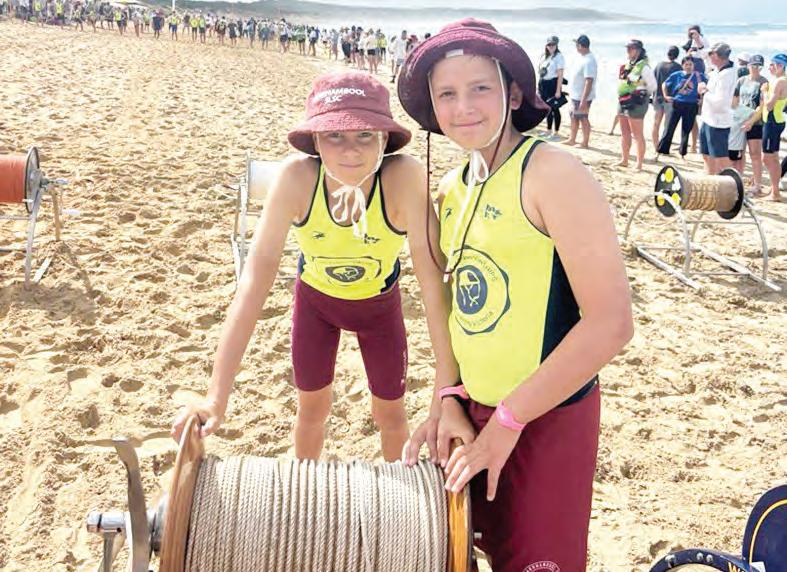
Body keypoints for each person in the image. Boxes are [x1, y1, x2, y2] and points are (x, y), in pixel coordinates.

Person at [398, 18, 632, 572]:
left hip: (545, 415)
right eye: (446, 94)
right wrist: (447, 397)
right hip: (473, 409)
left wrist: (508, 421)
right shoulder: (453, 187)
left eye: (480, 87)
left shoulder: (551, 173)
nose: (463, 108)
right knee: (464, 551)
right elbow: (456, 310)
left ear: (515, 93)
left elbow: (611, 324)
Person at [171, 72, 456, 463]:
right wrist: (215, 398)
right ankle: (303, 486)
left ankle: (399, 485)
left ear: (385, 139)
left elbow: (434, 289)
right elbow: (253, 284)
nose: (350, 149)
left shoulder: (403, 178)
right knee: (311, 411)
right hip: (316, 306)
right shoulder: (297, 178)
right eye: (334, 135)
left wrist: (444, 397)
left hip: (379, 308)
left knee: (390, 414)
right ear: (315, 140)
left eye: (365, 135)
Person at [615, 40, 656, 170]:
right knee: (624, 132)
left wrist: (641, 93)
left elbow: (653, 86)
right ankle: (624, 159)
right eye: (627, 48)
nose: (628, 51)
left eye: (631, 48)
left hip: (636, 102)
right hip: (623, 99)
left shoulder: (644, 67)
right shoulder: (628, 65)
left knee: (637, 134)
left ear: (638, 50)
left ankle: (639, 164)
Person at [698, 42, 737, 174]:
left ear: (717, 56)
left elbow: (720, 102)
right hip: (708, 118)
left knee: (721, 158)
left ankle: (734, 183)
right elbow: (703, 55)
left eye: (711, 54)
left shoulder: (727, 75)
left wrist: (704, 92)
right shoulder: (718, 69)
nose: (709, 56)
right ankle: (710, 181)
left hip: (718, 122)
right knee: (706, 155)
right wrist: (697, 40)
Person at [657, 56, 706, 159]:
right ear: (682, 65)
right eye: (686, 64)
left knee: (686, 130)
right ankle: (662, 150)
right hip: (677, 103)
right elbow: (664, 84)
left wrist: (702, 99)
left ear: (693, 65)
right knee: (669, 127)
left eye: (690, 64)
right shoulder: (677, 75)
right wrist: (665, 96)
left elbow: (706, 88)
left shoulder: (699, 76)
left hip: (691, 105)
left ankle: (682, 153)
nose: (688, 67)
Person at [736, 54, 768, 196]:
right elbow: (735, 100)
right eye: (753, 65)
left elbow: (762, 105)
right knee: (739, 153)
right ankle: (738, 181)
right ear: (748, 65)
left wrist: (751, 121)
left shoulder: (764, 82)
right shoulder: (741, 80)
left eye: (759, 66)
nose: (756, 68)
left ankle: (757, 185)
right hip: (739, 120)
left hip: (756, 122)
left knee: (755, 154)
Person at [760, 53, 787, 201]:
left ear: (780, 66)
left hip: (772, 121)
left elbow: (769, 106)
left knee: (767, 158)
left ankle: (775, 192)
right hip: (774, 121)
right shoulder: (779, 80)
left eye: (772, 64)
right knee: (774, 157)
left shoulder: (779, 82)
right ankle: (774, 189)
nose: (769, 67)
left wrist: (764, 91)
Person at [566, 34, 597, 148]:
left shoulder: (589, 60)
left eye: (577, 45)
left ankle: (585, 142)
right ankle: (572, 139)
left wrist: (584, 100)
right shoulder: (581, 57)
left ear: (580, 46)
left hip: (583, 96)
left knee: (583, 117)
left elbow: (589, 81)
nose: (576, 47)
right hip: (576, 94)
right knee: (573, 116)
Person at [652, 46, 682, 152]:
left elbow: (653, 80)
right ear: (677, 55)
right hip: (670, 98)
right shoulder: (678, 67)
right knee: (667, 125)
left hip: (657, 96)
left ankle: (655, 145)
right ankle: (662, 146)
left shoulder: (659, 65)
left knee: (656, 123)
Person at [537, 36, 566, 140]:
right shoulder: (544, 56)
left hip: (552, 84)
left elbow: (560, 75)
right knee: (547, 108)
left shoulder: (559, 57)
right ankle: (548, 130)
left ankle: (556, 132)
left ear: (556, 45)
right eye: (549, 44)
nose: (551, 46)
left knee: (555, 108)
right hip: (543, 84)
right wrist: (539, 88)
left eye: (553, 44)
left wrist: (558, 90)